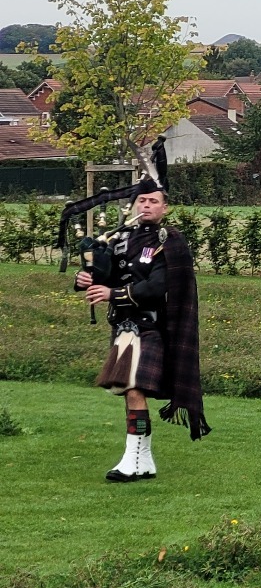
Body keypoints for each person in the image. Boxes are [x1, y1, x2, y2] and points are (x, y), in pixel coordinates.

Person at [75, 179, 209, 482]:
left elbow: (157, 286)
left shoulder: (169, 240)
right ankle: (144, 461)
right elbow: (106, 272)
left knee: (134, 388)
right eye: (142, 201)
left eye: (153, 201)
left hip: (153, 325)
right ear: (135, 204)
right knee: (126, 391)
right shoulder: (121, 238)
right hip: (123, 325)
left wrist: (113, 294)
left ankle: (130, 459)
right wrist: (84, 278)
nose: (146, 206)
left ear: (165, 207)